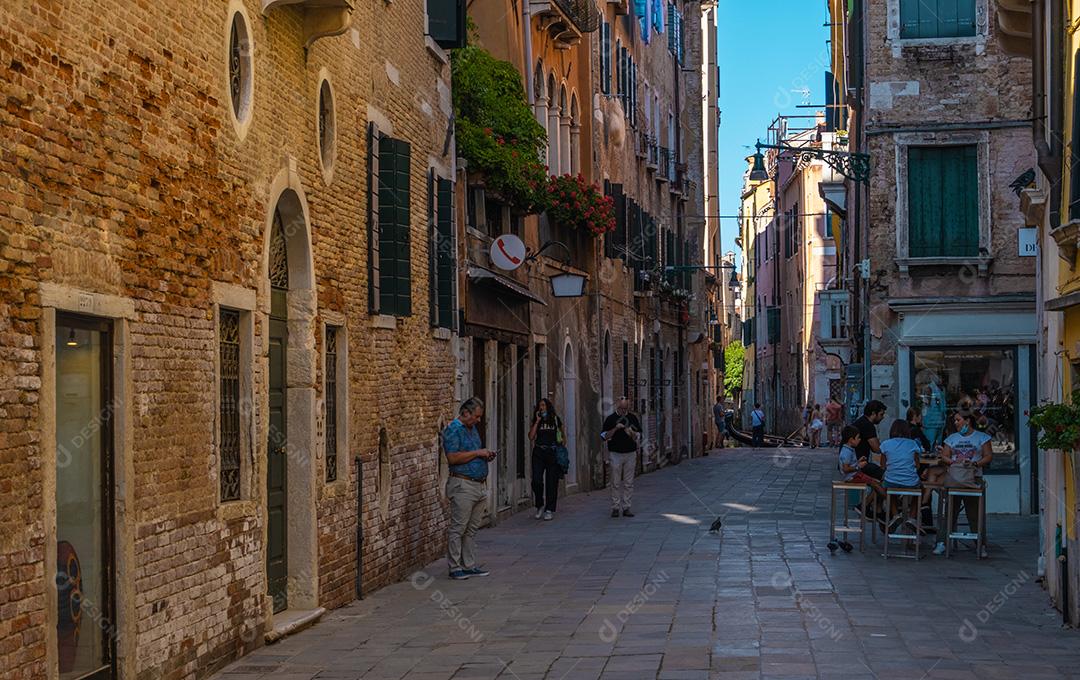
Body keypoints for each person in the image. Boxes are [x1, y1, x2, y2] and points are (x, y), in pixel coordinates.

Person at [442, 397, 496, 580]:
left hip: (478, 484)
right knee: (458, 527)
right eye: (476, 416)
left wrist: (485, 456)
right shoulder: (453, 430)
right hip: (462, 484)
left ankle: (469, 565)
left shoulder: (472, 430)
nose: (478, 420)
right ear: (466, 413)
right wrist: (478, 453)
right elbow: (453, 458)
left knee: (471, 529)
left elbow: (472, 455)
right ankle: (455, 567)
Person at [934, 411, 993, 557]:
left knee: (974, 513)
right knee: (950, 511)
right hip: (955, 478)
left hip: (973, 478)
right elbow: (945, 456)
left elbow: (988, 456)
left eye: (958, 420)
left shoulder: (982, 437)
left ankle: (980, 543)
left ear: (967, 421)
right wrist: (955, 462)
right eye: (955, 420)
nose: (956, 423)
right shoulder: (951, 438)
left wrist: (975, 463)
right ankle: (942, 542)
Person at [880, 419, 925, 533]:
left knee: (889, 489)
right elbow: (917, 465)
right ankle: (912, 517)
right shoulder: (913, 444)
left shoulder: (885, 444)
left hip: (891, 480)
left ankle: (895, 515)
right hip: (910, 482)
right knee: (920, 490)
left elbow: (883, 465)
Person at [601, 397, 641, 518]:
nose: (624, 411)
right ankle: (615, 507)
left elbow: (638, 436)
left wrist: (632, 433)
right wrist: (615, 428)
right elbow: (604, 436)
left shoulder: (633, 418)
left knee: (629, 482)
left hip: (630, 453)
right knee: (615, 482)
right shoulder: (610, 419)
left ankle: (626, 507)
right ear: (617, 406)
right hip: (615, 454)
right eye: (621, 408)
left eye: (625, 408)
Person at [528, 398, 563, 521]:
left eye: (543, 405)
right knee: (536, 480)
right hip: (538, 452)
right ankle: (539, 504)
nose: (541, 408)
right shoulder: (537, 420)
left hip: (552, 453)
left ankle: (549, 509)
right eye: (539, 406)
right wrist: (537, 422)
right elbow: (531, 437)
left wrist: (561, 451)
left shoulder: (555, 420)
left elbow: (561, 437)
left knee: (551, 482)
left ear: (548, 407)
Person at [852, 400, 887, 470]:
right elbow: (877, 449)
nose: (883, 417)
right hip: (858, 465)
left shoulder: (861, 421)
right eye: (881, 414)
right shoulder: (868, 425)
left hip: (855, 463)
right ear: (873, 413)